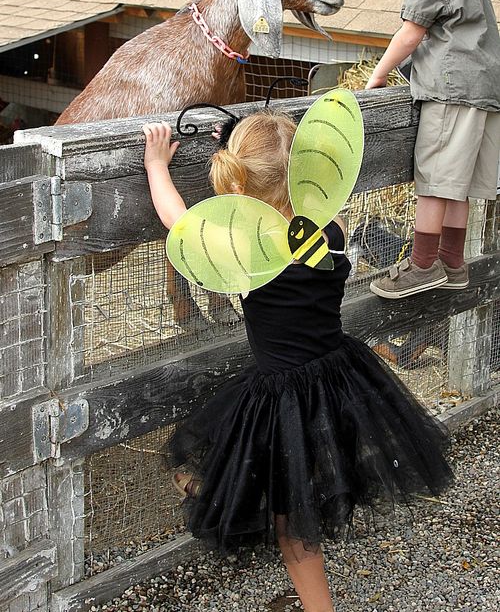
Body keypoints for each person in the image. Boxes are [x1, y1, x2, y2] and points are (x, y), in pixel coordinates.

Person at [143, 110, 453, 612]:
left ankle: (317, 606)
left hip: (282, 393)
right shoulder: (331, 228)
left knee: (291, 523)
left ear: (238, 184)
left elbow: (179, 221)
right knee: (311, 483)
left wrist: (157, 164)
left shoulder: (246, 248)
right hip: (340, 374)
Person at [365, 0, 500, 299]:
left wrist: (380, 72)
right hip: (482, 90)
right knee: (456, 182)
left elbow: (410, 32)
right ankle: (452, 262)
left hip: (451, 88)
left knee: (434, 179)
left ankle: (422, 264)